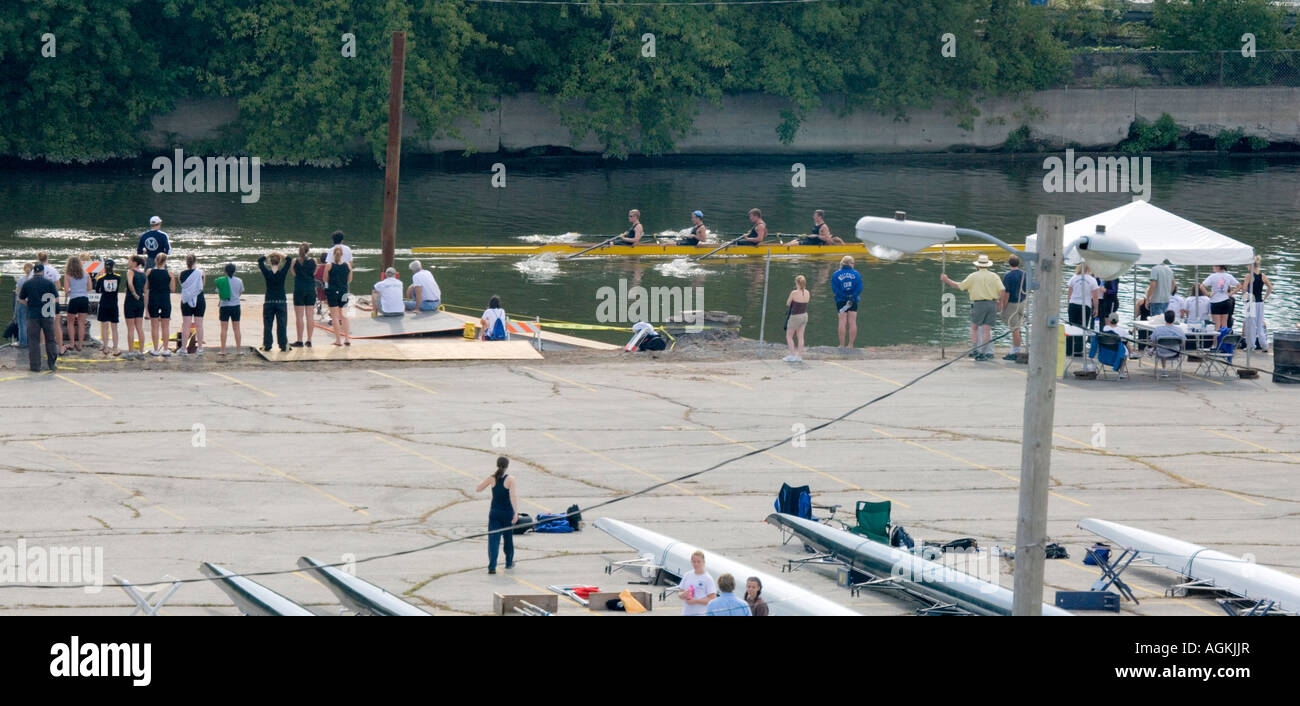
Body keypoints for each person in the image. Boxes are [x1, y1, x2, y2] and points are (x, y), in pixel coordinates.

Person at [941, 254, 1005, 361]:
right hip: (992, 304)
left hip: (979, 304)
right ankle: (983, 353)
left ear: (977, 266)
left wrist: (946, 280)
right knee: (986, 330)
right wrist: (1000, 302)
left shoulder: (973, 276)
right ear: (988, 265)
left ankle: (975, 350)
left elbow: (959, 286)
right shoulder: (994, 276)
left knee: (974, 328)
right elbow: (1003, 290)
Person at [475, 456, 519, 574]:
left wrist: (487, 481)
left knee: (493, 540)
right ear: (507, 466)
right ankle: (509, 562)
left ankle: (492, 566)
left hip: (494, 513)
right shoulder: (510, 479)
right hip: (507, 513)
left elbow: (478, 489)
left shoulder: (492, 478)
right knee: (508, 538)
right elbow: (513, 497)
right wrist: (516, 513)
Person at [18, 264, 59, 372]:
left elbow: (21, 299)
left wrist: (29, 304)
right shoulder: (49, 283)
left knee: (34, 341)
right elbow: (56, 298)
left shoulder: (27, 283)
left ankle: (35, 366)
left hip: (33, 315)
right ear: (43, 271)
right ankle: (52, 364)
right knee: (50, 340)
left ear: (33, 271)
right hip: (47, 314)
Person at [144, 252, 175, 357]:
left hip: (153, 299)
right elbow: (173, 289)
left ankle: (156, 349)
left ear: (156, 261)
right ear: (165, 261)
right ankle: (166, 349)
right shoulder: (169, 273)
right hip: (165, 299)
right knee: (165, 326)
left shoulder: (149, 271)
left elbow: (146, 287)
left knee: (154, 325)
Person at [1065, 264, 1100, 357]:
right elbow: (1095, 297)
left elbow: (1069, 294)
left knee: (1071, 327)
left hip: (1073, 305)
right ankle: (1078, 350)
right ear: (1089, 269)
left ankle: (1068, 350)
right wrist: (1096, 308)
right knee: (1082, 327)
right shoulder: (1092, 280)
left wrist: (1068, 304)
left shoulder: (1073, 278)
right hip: (1085, 306)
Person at [258, 252, 290, 352]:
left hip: (269, 301)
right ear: (279, 262)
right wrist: (280, 253)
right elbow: (289, 260)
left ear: (270, 262)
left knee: (268, 325)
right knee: (282, 325)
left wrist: (269, 254)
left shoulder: (267, 273)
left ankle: (267, 345)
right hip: (281, 300)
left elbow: (259, 261)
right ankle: (283, 345)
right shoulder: (282, 273)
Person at [288, 243, 317, 348]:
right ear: (308, 250)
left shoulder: (294, 261)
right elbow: (314, 273)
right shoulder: (314, 261)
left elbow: (294, 273)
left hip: (299, 289)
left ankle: (299, 340)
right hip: (310, 289)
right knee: (310, 316)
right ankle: (309, 340)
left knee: (299, 317)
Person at [998, 255, 1027, 360]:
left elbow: (1007, 294)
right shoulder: (1025, 274)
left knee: (1014, 329)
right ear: (1018, 263)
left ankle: (1015, 352)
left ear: (1009, 263)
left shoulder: (1008, 276)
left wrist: (1003, 306)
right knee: (1017, 328)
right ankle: (1015, 348)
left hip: (1012, 303)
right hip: (1022, 302)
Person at [831, 255, 862, 348]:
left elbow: (835, 289)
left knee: (842, 322)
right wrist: (852, 296)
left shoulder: (836, 274)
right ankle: (851, 345)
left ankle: (841, 345)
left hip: (841, 300)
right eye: (853, 263)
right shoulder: (856, 274)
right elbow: (859, 287)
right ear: (849, 263)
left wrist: (844, 296)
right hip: (853, 300)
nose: (853, 265)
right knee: (852, 322)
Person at [1242, 256, 1273, 351]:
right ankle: (1264, 345)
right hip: (1260, 302)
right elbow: (1270, 287)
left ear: (1251, 265)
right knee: (1259, 324)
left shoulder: (1248, 276)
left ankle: (1251, 346)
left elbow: (1244, 288)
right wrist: (1265, 298)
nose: (1247, 267)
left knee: (1250, 324)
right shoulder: (1262, 276)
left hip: (1251, 303)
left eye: (1247, 265)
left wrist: (1244, 298)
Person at [177, 253, 206, 355]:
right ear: (195, 261)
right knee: (199, 325)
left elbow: (183, 286)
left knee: (186, 325)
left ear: (186, 262)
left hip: (186, 300)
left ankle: (184, 348)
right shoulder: (201, 273)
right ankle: (200, 349)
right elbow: (202, 286)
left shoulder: (181, 274)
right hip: (199, 300)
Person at [325, 246, 353, 346]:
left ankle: (338, 340)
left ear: (333, 254)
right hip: (344, 291)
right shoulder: (348, 265)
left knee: (335, 316)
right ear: (342, 255)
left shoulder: (329, 265)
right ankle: (347, 338)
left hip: (333, 291)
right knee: (345, 316)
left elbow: (325, 279)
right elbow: (349, 280)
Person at [1200, 265, 1241, 332]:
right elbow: (1239, 286)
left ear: (1218, 267)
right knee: (1224, 324)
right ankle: (1223, 341)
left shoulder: (1212, 276)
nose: (1212, 267)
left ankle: (1216, 342)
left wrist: (1208, 294)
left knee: (1217, 324)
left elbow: (1202, 286)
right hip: (1226, 301)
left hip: (1215, 301)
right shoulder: (1228, 276)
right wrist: (1231, 294)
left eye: (1214, 266)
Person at [677, 550, 718, 616]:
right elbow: (679, 594)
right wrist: (684, 594)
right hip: (686, 613)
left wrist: (696, 601)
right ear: (691, 562)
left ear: (703, 562)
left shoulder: (708, 579)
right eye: (694, 562)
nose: (696, 564)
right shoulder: (687, 575)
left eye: (698, 562)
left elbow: (712, 599)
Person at [94, 259, 122, 357]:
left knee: (105, 327)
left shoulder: (101, 279)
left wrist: (97, 278)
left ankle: (105, 347)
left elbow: (97, 291)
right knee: (114, 328)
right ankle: (115, 347)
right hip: (114, 304)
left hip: (104, 303)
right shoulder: (118, 277)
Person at [62, 256, 90, 353]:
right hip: (84, 299)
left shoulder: (68, 275)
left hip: (74, 299)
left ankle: (72, 343)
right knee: (81, 323)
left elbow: (66, 290)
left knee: (70, 322)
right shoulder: (86, 274)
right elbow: (90, 287)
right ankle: (80, 344)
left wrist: (71, 290)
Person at [215, 263, 244, 355]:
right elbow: (240, 293)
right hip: (236, 306)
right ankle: (239, 350)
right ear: (234, 271)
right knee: (237, 329)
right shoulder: (239, 280)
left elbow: (219, 293)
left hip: (224, 306)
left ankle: (223, 350)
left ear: (225, 271)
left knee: (224, 329)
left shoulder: (221, 281)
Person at [1149, 309, 1187, 378]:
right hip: (1175, 352)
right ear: (1174, 319)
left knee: (1161, 346)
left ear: (1164, 318)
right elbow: (1183, 342)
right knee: (1166, 346)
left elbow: (1153, 341)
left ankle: (1164, 369)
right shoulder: (1179, 330)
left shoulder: (1158, 329)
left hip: (1161, 352)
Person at [123, 255, 147, 358]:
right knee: (139, 327)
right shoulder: (143, 274)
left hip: (131, 300)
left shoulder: (130, 272)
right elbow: (145, 289)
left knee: (130, 328)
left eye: (129, 260)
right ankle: (141, 352)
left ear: (134, 262)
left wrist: (133, 293)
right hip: (140, 301)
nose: (128, 262)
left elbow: (130, 283)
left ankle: (131, 352)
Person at [784, 274, 810, 362]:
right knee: (800, 336)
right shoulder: (807, 292)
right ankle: (799, 356)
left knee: (789, 336)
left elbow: (788, 303)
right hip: (804, 315)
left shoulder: (794, 293)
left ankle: (792, 355)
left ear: (797, 283)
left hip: (795, 316)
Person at [12, 263, 33, 348]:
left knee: (22, 323)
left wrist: (17, 282)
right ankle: (30, 341)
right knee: (30, 323)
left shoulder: (21, 279)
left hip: (21, 303)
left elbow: (18, 291)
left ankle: (23, 342)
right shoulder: (33, 280)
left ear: (24, 270)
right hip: (31, 303)